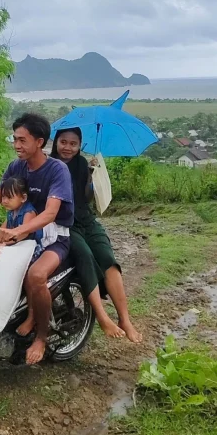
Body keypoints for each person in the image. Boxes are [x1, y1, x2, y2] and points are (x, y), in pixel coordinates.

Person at [0, 113, 74, 365]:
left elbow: (50, 213)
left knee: (35, 276)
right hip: (22, 235)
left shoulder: (57, 170)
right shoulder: (15, 167)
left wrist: (17, 232)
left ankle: (41, 336)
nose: (17, 145)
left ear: (39, 142)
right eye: (14, 139)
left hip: (53, 238)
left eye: (22, 140)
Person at [51, 127, 142, 343]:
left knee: (108, 260)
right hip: (65, 223)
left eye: (73, 144)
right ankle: (102, 317)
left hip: (86, 220)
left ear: (80, 146)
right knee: (85, 256)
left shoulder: (82, 163)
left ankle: (125, 319)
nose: (68, 147)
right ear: (56, 142)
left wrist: (92, 176)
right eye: (63, 142)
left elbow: (87, 198)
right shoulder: (49, 165)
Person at [0, 176, 45, 260]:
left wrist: (4, 243)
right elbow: (2, 229)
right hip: (16, 246)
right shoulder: (11, 212)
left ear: (23, 198)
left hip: (30, 249)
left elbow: (24, 234)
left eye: (9, 197)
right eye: (3, 197)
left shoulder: (29, 212)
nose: (5, 201)